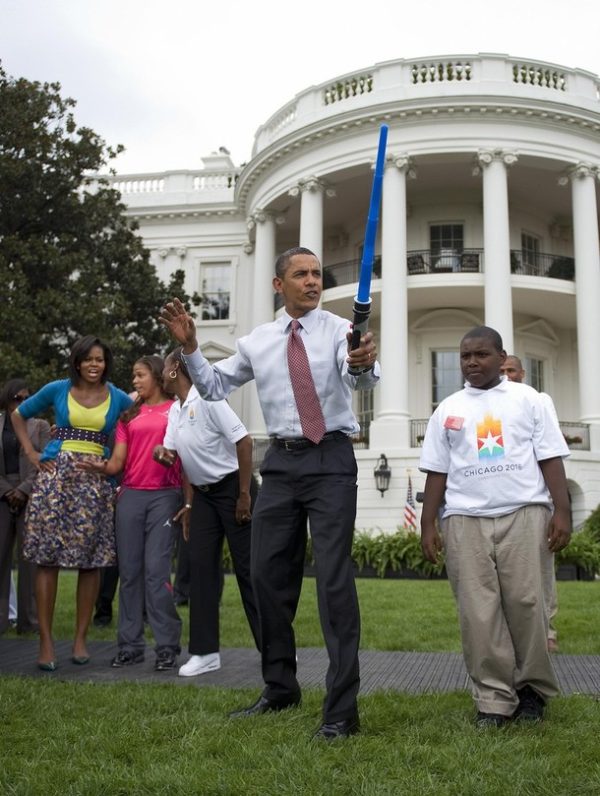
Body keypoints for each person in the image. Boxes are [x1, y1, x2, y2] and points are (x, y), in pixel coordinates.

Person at [160, 246, 380, 741]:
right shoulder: (258, 340)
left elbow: (359, 374)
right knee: (262, 575)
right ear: (279, 285)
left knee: (334, 583)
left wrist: (365, 361)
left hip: (331, 459)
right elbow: (214, 387)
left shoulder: (342, 332)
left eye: (317, 273)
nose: (312, 281)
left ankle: (341, 709)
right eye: (300, 274)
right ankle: (280, 687)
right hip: (279, 462)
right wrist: (193, 347)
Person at [419, 326, 571, 728]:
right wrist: (428, 523)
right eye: (465, 355)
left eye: (481, 355)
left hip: (524, 513)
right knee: (478, 612)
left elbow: (551, 457)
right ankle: (493, 700)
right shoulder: (447, 409)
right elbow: (437, 471)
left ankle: (531, 691)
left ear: (501, 357)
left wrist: (562, 511)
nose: (471, 362)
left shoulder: (529, 400)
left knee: (527, 604)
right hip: (465, 519)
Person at [11, 336, 132, 670]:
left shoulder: (117, 396)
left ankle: (80, 639)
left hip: (95, 483)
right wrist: (32, 453)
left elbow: (139, 414)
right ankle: (46, 643)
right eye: (89, 359)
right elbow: (18, 415)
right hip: (56, 479)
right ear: (77, 362)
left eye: (101, 360)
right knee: (47, 559)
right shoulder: (57, 389)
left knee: (91, 561)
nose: (95, 365)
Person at [153, 346, 261, 676]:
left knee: (249, 572)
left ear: (175, 370)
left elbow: (245, 442)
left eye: (165, 367)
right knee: (199, 570)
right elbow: (176, 455)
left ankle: (276, 649)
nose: (161, 375)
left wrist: (244, 496)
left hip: (234, 488)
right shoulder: (176, 410)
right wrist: (164, 455)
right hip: (202, 497)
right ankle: (204, 653)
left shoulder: (210, 399)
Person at [78, 355, 184, 672]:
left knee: (156, 573)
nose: (135, 382)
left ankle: (167, 647)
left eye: (140, 376)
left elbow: (184, 452)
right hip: (130, 497)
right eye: (133, 377)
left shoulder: (177, 409)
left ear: (155, 375)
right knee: (130, 574)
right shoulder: (128, 416)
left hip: (165, 496)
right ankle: (130, 646)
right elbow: (116, 464)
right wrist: (101, 467)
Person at [500, 354, 561, 653]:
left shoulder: (537, 400)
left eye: (512, 370)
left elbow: (550, 452)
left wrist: (557, 505)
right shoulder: (489, 404)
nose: (507, 375)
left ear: (523, 373)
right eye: (503, 371)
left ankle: (547, 629)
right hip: (503, 503)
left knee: (541, 571)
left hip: (537, 501)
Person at [0, 379, 51, 635]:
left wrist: (23, 490)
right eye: (17, 399)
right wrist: (7, 490)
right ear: (7, 399)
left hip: (30, 492)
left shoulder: (40, 426)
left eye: (26, 399)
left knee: (28, 561)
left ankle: (28, 622)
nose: (22, 404)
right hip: (2, 493)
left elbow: (44, 461)